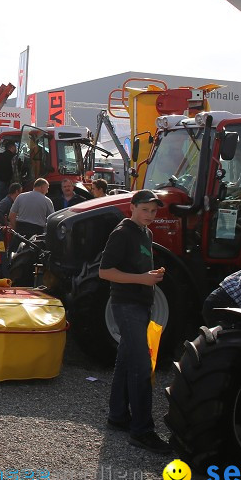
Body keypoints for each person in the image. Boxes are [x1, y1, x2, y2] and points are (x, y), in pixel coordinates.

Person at [98, 189, 171, 453]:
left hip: (141, 305)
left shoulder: (146, 233)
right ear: (132, 207)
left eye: (153, 211)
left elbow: (135, 269)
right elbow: (105, 271)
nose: (150, 215)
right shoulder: (122, 232)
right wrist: (143, 279)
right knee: (141, 368)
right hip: (126, 306)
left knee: (126, 361)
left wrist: (150, 275)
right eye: (145, 210)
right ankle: (142, 431)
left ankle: (118, 416)